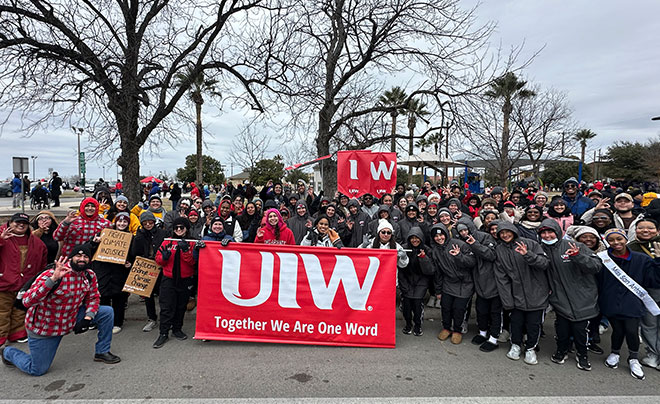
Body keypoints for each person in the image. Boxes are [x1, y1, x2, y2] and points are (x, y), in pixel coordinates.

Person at [1, 245, 120, 376]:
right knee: (37, 369)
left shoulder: (89, 275)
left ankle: (102, 352)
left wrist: (88, 318)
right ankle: (8, 352)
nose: (82, 259)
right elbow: (27, 301)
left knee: (106, 312)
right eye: (78, 256)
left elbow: (94, 297)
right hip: (46, 327)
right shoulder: (52, 273)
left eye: (86, 256)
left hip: (71, 318)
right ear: (71, 257)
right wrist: (52, 280)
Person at [537, 219, 601, 371]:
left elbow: (596, 266)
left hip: (582, 297)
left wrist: (578, 256)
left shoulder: (575, 246)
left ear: (557, 232)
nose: (547, 235)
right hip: (559, 297)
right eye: (543, 233)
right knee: (562, 329)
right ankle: (561, 350)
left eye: (550, 232)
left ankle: (582, 354)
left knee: (580, 330)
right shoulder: (540, 249)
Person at [599, 228, 660, 380]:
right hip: (611, 300)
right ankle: (614, 353)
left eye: (619, 239)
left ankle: (633, 358)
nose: (616, 243)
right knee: (617, 330)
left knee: (632, 331)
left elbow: (653, 280)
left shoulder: (641, 259)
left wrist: (658, 261)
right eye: (611, 240)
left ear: (625, 239)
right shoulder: (602, 258)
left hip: (633, 302)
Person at [493, 221, 550, 366]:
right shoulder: (499, 249)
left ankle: (530, 348)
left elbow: (544, 263)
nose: (505, 235)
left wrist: (528, 255)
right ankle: (515, 345)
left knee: (533, 324)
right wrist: (507, 300)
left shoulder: (530, 243)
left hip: (536, 291)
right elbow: (502, 277)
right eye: (502, 233)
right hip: (516, 293)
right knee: (516, 322)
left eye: (507, 231)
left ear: (513, 231)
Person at [0, 213, 48, 347]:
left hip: (24, 284)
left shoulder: (37, 243)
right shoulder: (2, 236)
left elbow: (42, 263)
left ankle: (17, 334)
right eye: (17, 222)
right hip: (4, 282)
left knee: (20, 311)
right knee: (2, 312)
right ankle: (1, 336)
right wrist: (1, 240)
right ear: (10, 223)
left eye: (24, 223)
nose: (21, 225)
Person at [153, 217, 197, 348]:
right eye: (176, 228)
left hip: (185, 279)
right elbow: (158, 259)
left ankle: (177, 329)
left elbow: (193, 263)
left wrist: (185, 251)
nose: (178, 230)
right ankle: (163, 333)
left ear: (186, 229)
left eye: (181, 227)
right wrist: (164, 258)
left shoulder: (192, 243)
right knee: (166, 307)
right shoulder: (167, 241)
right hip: (169, 279)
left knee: (180, 306)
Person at [623, 218, 660, 370]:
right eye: (641, 228)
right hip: (646, 291)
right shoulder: (630, 247)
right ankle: (653, 353)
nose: (645, 230)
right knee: (649, 324)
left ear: (657, 230)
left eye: (650, 228)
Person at [431, 223, 476, 345]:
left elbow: (472, 262)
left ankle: (457, 330)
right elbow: (438, 272)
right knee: (446, 307)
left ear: (446, 234)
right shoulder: (435, 251)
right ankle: (446, 327)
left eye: (441, 235)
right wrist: (438, 290)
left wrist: (459, 256)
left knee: (459, 309)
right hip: (448, 283)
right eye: (436, 236)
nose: (439, 238)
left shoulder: (459, 244)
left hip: (464, 283)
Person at [89, 213, 134, 334]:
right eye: (119, 221)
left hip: (119, 272)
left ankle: (117, 322)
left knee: (119, 298)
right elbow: (90, 250)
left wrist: (129, 263)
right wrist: (95, 242)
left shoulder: (130, 237)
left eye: (125, 222)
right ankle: (102, 321)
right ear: (115, 222)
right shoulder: (103, 234)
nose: (122, 224)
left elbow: (133, 254)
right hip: (103, 270)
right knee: (103, 296)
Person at [130, 211, 167, 333]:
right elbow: (135, 252)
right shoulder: (139, 236)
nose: (148, 224)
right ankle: (151, 318)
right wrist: (138, 238)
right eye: (145, 223)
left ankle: (165, 318)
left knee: (163, 295)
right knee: (148, 296)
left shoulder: (162, 233)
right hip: (147, 268)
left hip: (160, 267)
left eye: (150, 222)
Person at [398, 228, 434, 337]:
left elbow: (430, 270)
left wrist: (423, 258)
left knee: (418, 305)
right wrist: (403, 285)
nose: (414, 240)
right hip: (407, 281)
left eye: (417, 238)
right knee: (407, 306)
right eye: (412, 238)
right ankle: (408, 324)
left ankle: (418, 325)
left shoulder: (427, 250)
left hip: (421, 282)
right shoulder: (403, 249)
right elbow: (400, 268)